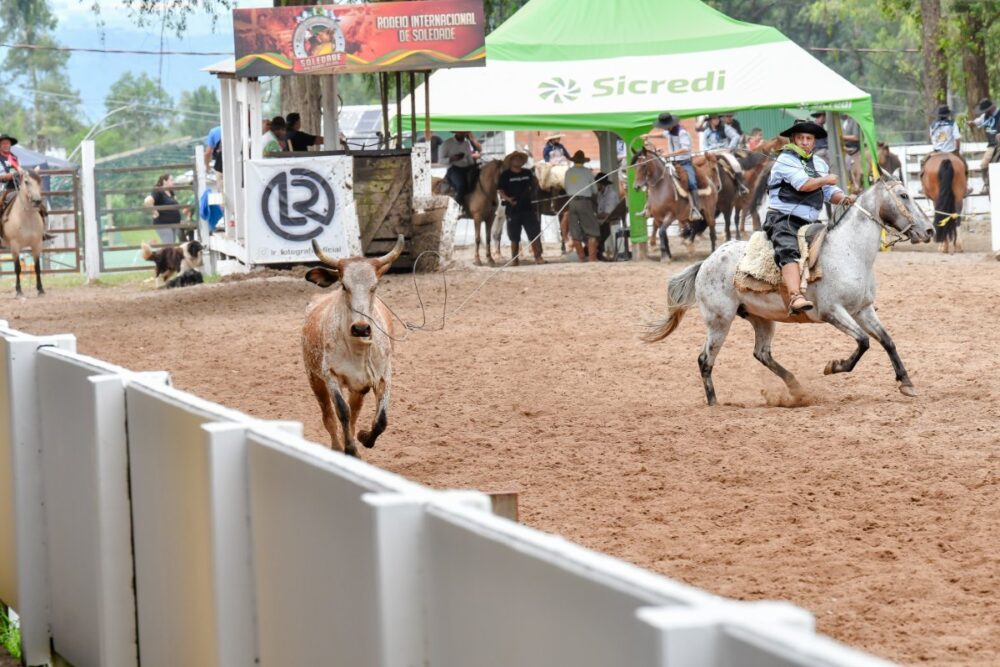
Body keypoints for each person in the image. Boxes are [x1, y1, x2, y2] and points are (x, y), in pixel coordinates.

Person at [764, 119, 855, 314]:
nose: (805, 142)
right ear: (793, 139)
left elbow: (830, 192)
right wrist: (826, 179)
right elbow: (803, 185)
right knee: (788, 248)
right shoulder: (785, 159)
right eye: (801, 138)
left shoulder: (820, 163)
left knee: (835, 247)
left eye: (809, 138)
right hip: (783, 218)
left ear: (814, 141)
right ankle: (795, 296)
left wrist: (845, 198)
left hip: (811, 222)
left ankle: (846, 295)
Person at [651, 112, 703, 221]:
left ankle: (696, 209)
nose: (664, 128)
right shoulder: (669, 131)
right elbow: (662, 135)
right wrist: (648, 136)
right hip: (672, 163)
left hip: (684, 162)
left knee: (692, 183)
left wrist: (669, 154)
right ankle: (649, 207)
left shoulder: (682, 132)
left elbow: (685, 148)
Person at [497, 151, 544, 266]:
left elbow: (535, 184)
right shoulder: (505, 175)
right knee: (514, 236)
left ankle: (538, 257)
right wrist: (508, 199)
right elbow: (500, 190)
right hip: (513, 209)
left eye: (520, 158)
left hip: (528, 208)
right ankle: (515, 259)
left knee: (534, 233)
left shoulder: (528, 173)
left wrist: (534, 191)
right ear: (511, 161)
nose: (518, 160)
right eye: (515, 158)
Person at [563, 150, 601, 261]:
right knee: (592, 230)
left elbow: (566, 188)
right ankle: (592, 258)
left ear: (574, 161)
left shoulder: (568, 172)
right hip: (584, 202)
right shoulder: (587, 172)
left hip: (572, 202)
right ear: (583, 161)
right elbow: (594, 190)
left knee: (575, 231)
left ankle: (581, 258)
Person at [702, 114, 748, 195]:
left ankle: (740, 185)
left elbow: (736, 136)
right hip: (712, 153)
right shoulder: (706, 132)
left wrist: (730, 148)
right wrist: (708, 151)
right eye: (714, 118)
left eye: (718, 118)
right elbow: (704, 145)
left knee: (736, 164)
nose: (717, 120)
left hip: (724, 152)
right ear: (710, 120)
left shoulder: (725, 128)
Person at [440, 131, 481, 205]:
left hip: (467, 168)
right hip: (453, 169)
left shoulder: (466, 143)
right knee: (461, 186)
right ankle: (457, 206)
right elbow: (441, 161)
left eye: (464, 132)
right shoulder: (447, 143)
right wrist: (452, 159)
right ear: (456, 132)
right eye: (461, 132)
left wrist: (475, 164)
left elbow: (469, 158)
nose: (463, 134)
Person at [969, 98, 1000, 194]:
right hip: (992, 145)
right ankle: (987, 186)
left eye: (986, 110)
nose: (985, 112)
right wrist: (972, 123)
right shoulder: (985, 116)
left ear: (991, 108)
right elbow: (977, 121)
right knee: (984, 164)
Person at [145, 174, 184, 244]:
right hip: (163, 224)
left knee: (171, 246)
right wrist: (154, 211)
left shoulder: (171, 192)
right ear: (164, 181)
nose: (173, 182)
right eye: (171, 180)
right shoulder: (158, 191)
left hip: (173, 224)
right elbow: (148, 201)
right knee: (169, 245)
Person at [595, 171, 621, 261]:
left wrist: (594, 216)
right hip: (602, 221)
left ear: (601, 184)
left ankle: (598, 252)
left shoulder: (611, 194)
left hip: (610, 221)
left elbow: (607, 214)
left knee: (599, 233)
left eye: (597, 184)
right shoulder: (600, 194)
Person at [204, 125, 223, 194]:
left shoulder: (214, 131)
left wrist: (207, 166)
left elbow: (208, 153)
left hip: (220, 165)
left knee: (221, 190)